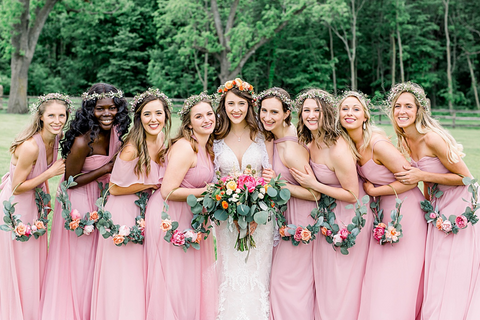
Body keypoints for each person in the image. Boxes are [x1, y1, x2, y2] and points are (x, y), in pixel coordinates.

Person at [388, 82, 480, 320]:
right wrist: (428, 209)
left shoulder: (433, 138)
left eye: (409, 106)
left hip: (461, 204)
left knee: (453, 265)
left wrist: (422, 175)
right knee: (437, 265)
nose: (402, 111)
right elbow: (427, 184)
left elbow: (467, 178)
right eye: (398, 106)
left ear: (419, 110)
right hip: (438, 206)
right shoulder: (405, 139)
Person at [41, 83, 131, 320]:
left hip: (103, 198)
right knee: (79, 263)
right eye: (100, 109)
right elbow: (70, 180)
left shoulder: (118, 133)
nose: (107, 114)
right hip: (79, 200)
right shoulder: (83, 141)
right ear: (90, 109)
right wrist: (107, 168)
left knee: (98, 260)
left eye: (112, 108)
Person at [337, 91, 426, 320]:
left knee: (396, 274)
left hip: (405, 210)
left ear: (365, 116)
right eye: (345, 109)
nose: (350, 113)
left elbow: (412, 179)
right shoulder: (349, 144)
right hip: (383, 214)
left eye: (356, 109)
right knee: (380, 275)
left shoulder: (377, 144)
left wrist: (376, 191)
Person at [289, 89, 371, 320]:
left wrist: (314, 184)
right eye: (307, 110)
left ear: (327, 113)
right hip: (327, 218)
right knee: (326, 282)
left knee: (341, 282)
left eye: (317, 110)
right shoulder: (310, 143)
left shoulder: (338, 147)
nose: (311, 115)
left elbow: (352, 194)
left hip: (349, 218)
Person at [90, 89, 171, 320]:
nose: (153, 119)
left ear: (166, 115)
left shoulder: (163, 141)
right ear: (139, 118)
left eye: (158, 113)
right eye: (147, 114)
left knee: (140, 273)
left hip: (144, 211)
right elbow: (114, 188)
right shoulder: (132, 149)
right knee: (124, 273)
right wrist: (150, 184)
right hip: (123, 212)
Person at [145, 92, 217, 320]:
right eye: (199, 116)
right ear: (188, 123)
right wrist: (208, 192)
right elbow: (168, 191)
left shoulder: (206, 146)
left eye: (209, 114)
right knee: (173, 281)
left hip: (191, 216)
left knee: (188, 280)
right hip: (171, 216)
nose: (206, 119)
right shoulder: (186, 147)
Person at [0, 94, 71, 320]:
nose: (57, 120)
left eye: (62, 115)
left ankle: (33, 310)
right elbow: (18, 186)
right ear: (41, 117)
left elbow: (37, 176)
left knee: (34, 261)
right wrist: (51, 174)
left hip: (35, 202)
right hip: (18, 205)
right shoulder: (31, 146)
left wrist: (46, 201)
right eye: (51, 115)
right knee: (22, 260)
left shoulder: (56, 139)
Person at [213, 79, 274, 320]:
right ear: (223, 105)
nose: (236, 109)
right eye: (231, 103)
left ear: (250, 105)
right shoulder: (215, 137)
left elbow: (270, 177)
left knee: (257, 272)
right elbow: (212, 178)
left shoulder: (262, 136)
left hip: (261, 218)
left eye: (241, 103)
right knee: (230, 270)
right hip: (227, 218)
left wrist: (257, 210)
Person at [258, 87, 320, 320]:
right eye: (264, 110)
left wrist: (278, 184)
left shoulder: (292, 148)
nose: (267, 116)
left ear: (286, 113)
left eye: (274, 112)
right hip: (285, 218)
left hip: (301, 220)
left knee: (287, 283)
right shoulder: (276, 138)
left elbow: (315, 194)